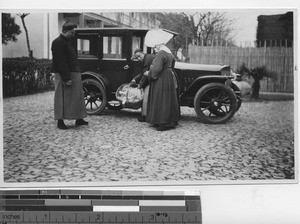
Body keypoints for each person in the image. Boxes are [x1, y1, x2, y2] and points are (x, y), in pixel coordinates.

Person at [51, 21, 88, 130]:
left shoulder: (67, 41)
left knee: (77, 97)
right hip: (64, 74)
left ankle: (79, 118)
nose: (73, 34)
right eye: (71, 32)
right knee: (61, 98)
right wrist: (66, 78)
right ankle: (60, 121)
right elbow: (60, 61)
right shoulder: (57, 42)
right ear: (65, 31)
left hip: (73, 73)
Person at [145, 31, 180, 131]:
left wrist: (150, 73)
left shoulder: (161, 53)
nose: (155, 47)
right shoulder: (169, 52)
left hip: (161, 78)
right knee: (167, 99)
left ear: (160, 44)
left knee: (161, 99)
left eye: (156, 45)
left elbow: (156, 69)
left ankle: (163, 122)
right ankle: (169, 121)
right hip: (168, 76)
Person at [131, 49, 155, 122]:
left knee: (146, 99)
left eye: (139, 56)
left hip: (151, 81)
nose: (138, 59)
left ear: (142, 53)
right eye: (137, 57)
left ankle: (145, 116)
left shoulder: (147, 61)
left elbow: (145, 75)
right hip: (152, 80)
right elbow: (142, 73)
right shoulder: (147, 57)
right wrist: (135, 79)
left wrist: (140, 85)